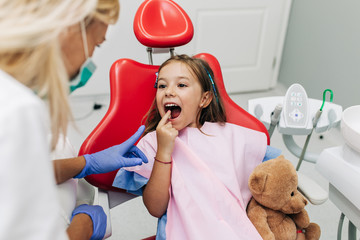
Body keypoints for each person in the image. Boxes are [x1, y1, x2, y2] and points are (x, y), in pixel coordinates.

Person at [113, 54, 305, 239]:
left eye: (181, 85)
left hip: (234, 230)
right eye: (162, 85)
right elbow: (155, 208)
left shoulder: (229, 135)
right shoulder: (153, 143)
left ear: (204, 99)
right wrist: (164, 151)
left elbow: (278, 171)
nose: (169, 91)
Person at [0, 0, 147, 239]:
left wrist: (88, 163)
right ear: (69, 27)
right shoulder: (18, 111)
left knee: (61, 147)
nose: (88, 58)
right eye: (95, 45)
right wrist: (85, 224)